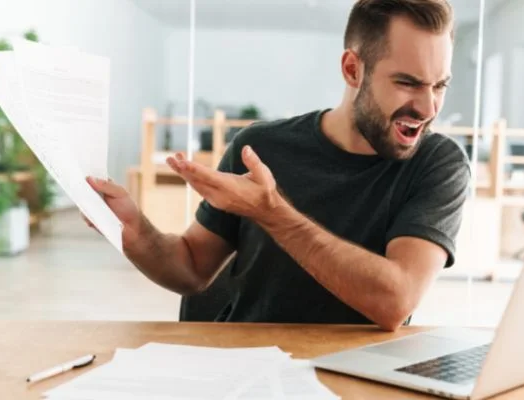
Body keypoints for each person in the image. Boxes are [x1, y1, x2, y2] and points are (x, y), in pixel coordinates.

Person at [86, 0, 470, 332]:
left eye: (439, 86)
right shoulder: (260, 147)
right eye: (407, 83)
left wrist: (273, 213)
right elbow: (190, 267)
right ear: (353, 70)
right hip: (246, 365)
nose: (428, 108)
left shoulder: (438, 165)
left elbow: (395, 301)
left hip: (356, 374)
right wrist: (133, 228)